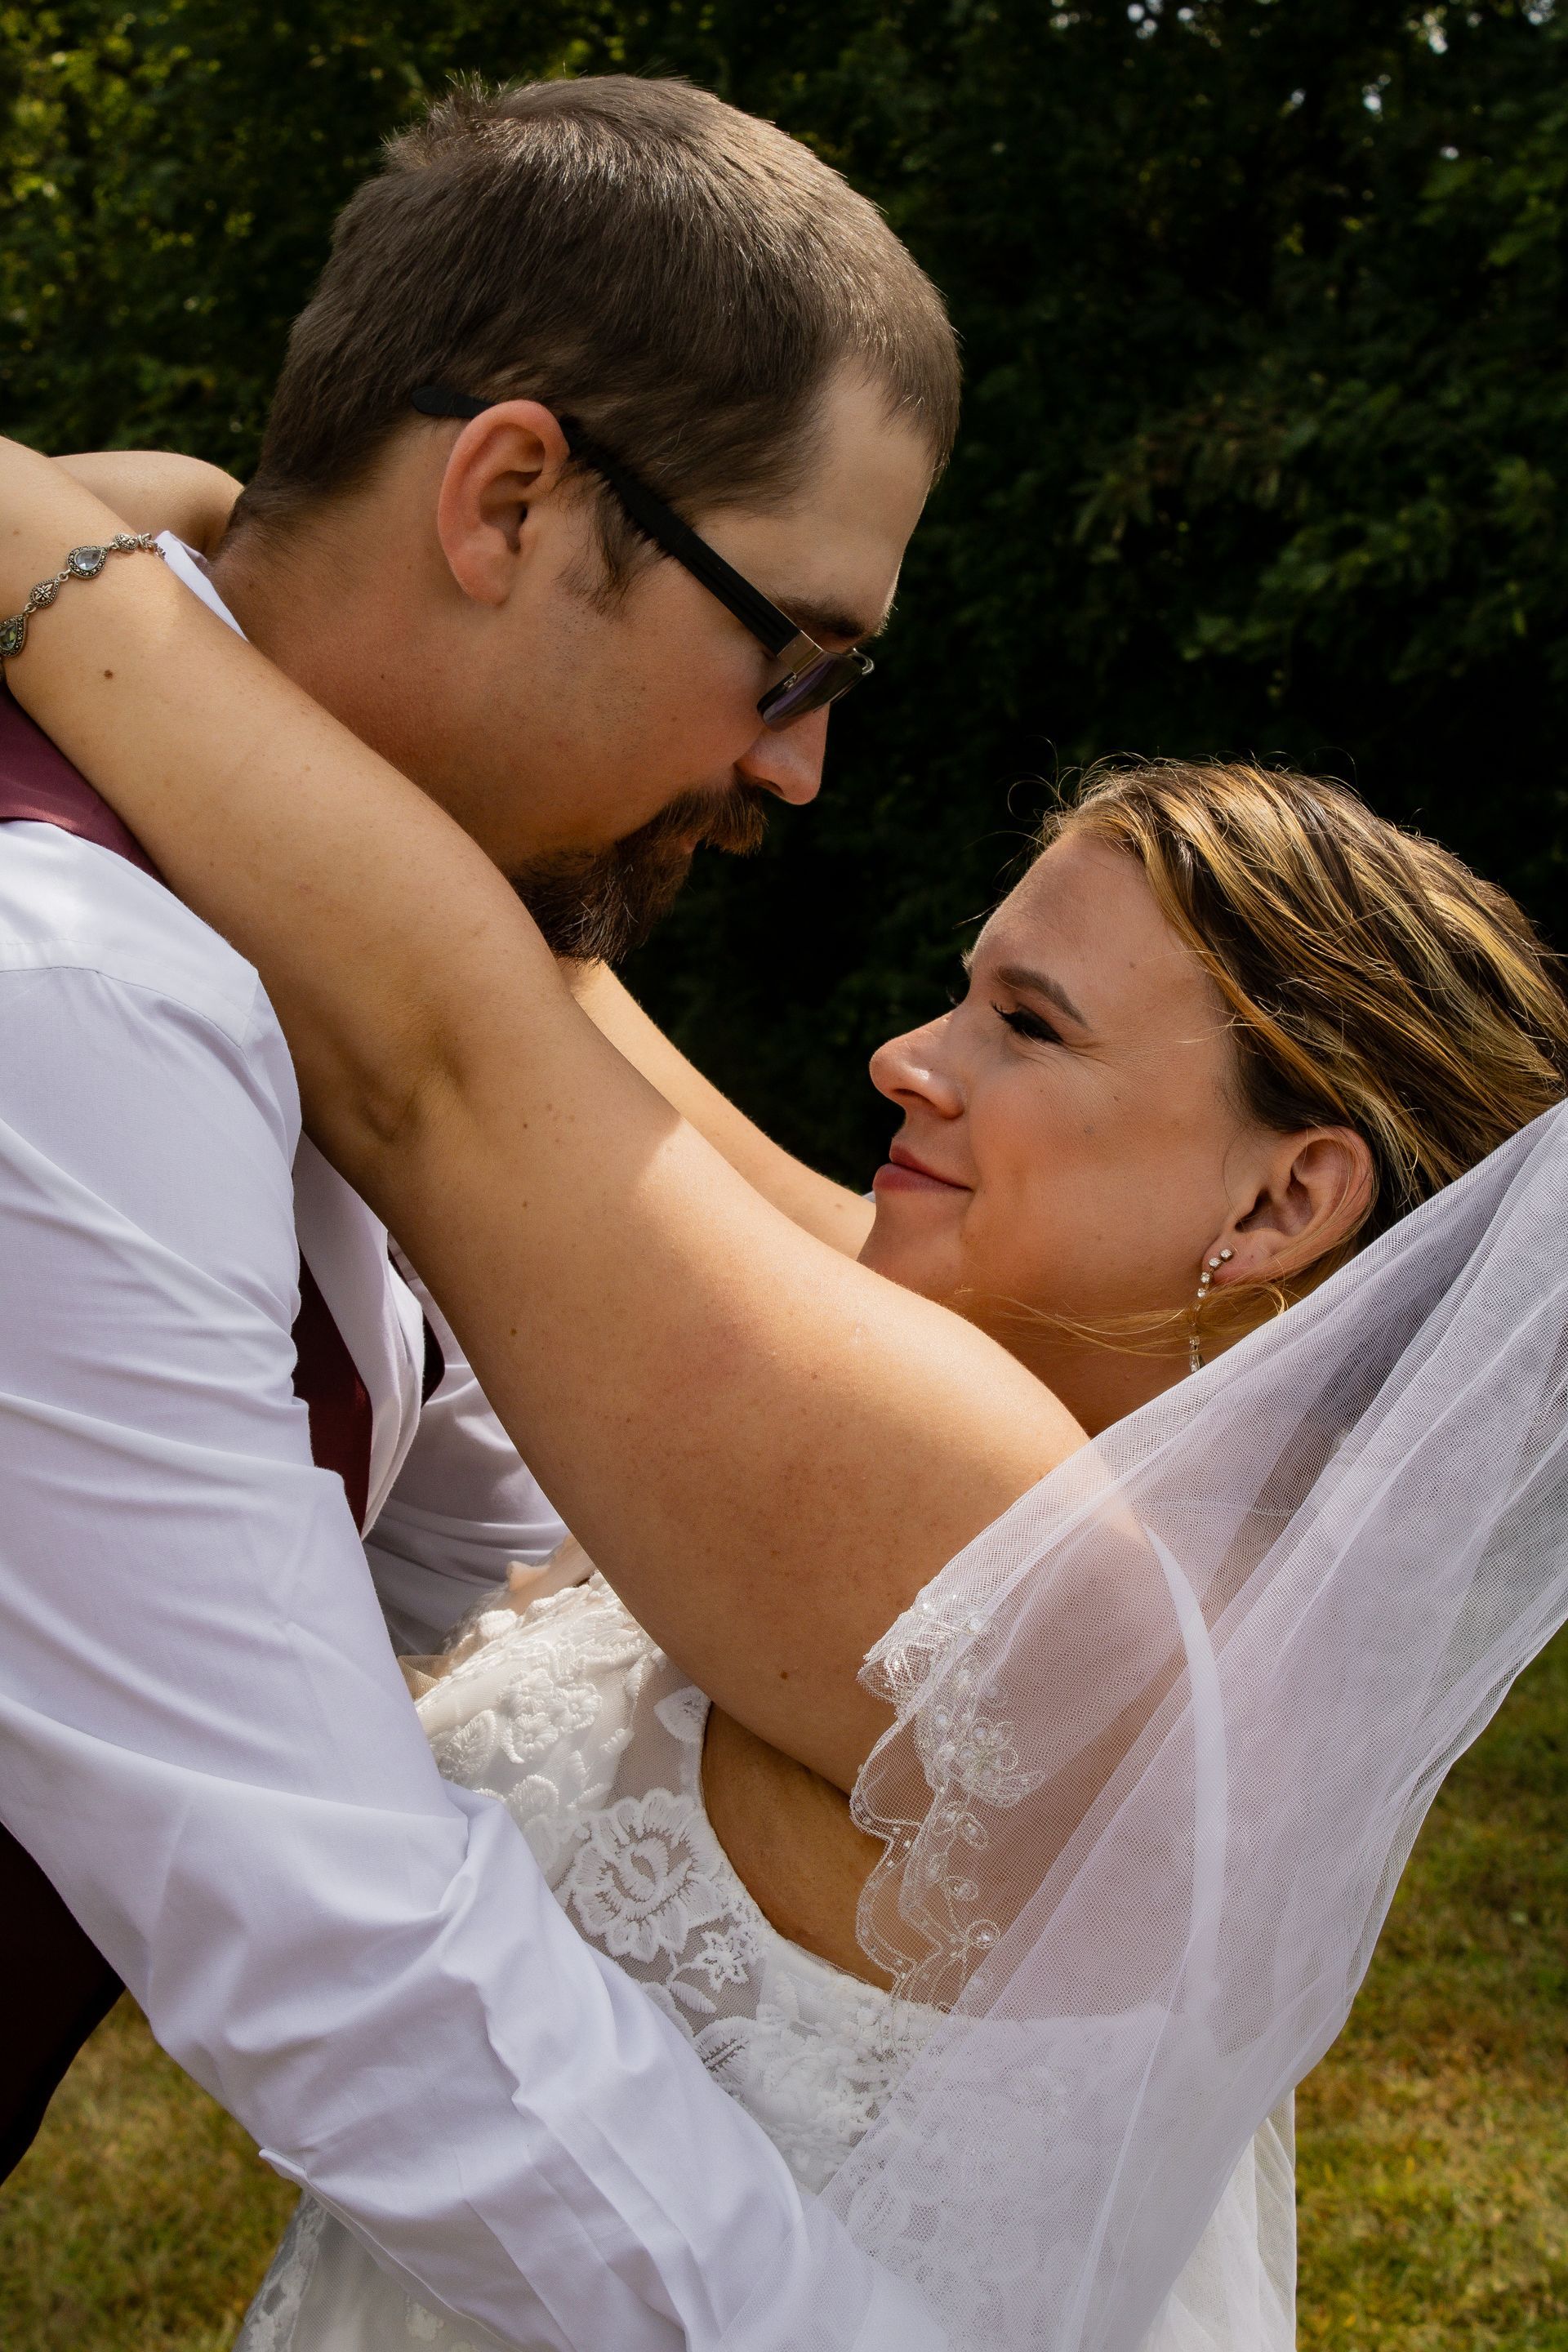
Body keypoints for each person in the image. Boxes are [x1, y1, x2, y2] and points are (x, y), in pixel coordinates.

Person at [6, 443, 1568, 2351]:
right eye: (961, 992)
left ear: (1284, 1196)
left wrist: (75, 556)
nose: (907, 1057)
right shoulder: (1096, 1489)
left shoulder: (1073, 1585)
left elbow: (454, 1043)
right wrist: (292, 564)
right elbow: (570, 1018)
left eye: (1029, 1025)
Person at [0, 74, 960, 2352]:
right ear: (511, 494)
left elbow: (505, 1574)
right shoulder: (77, 1000)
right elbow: (337, 1944)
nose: (798, 769)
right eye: (792, 656)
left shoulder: (324, 957)